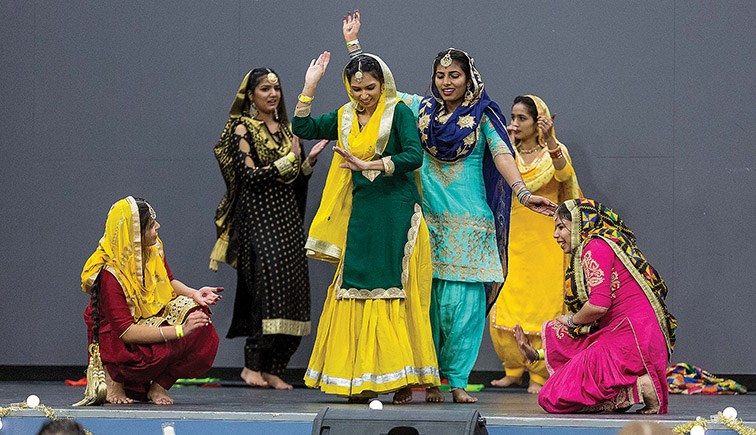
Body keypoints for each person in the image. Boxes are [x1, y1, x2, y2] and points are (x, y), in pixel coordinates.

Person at [341, 11, 556, 403]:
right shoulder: (419, 111)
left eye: (454, 75)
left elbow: (503, 156)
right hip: (426, 223)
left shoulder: (483, 114)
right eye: (441, 76)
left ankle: (456, 382)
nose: (446, 82)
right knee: (424, 305)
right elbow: (376, 89)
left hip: (470, 226)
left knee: (465, 312)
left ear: (468, 77)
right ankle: (424, 378)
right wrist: (355, 46)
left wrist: (522, 192)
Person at [292, 51, 440, 404]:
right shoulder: (344, 116)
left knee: (393, 288)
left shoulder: (398, 112)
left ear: (383, 83)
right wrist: (309, 87)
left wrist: (372, 164)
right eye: (356, 89)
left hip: (396, 212)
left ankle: (403, 376)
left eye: (370, 87)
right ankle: (359, 379)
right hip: (362, 214)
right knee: (355, 284)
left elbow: (413, 156)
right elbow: (304, 128)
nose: (363, 95)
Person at [209, 68, 328, 389]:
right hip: (258, 222)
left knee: (295, 294)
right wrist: (288, 161)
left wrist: (308, 162)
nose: (273, 94)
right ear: (250, 96)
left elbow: (293, 180)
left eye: (276, 88)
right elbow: (249, 177)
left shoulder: (288, 130)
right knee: (268, 292)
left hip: (287, 222)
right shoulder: (241, 129)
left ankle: (275, 367)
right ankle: (252, 366)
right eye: (265, 89)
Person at [514, 198, 677, 414]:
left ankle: (641, 388)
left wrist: (571, 320)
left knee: (552, 397)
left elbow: (598, 306)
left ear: (580, 224)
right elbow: (588, 334)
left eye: (561, 227)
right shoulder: (601, 244)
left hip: (632, 339)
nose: (555, 235)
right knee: (558, 328)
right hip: (636, 338)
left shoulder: (594, 246)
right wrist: (537, 355)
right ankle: (635, 389)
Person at [79, 197, 221, 405]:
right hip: (120, 335)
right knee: (161, 348)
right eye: (152, 225)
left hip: (149, 316)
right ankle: (113, 377)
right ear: (135, 235)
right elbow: (126, 332)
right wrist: (180, 330)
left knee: (202, 323)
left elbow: (167, 281)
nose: (158, 227)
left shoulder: (153, 248)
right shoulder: (110, 275)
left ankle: (159, 386)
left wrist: (194, 294)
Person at [489, 95, 581, 394]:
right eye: (512, 118)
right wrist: (502, 139)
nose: (514, 124)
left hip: (546, 241)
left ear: (537, 122)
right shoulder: (506, 155)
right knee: (508, 300)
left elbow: (565, 175)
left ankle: (540, 372)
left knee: (543, 303)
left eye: (521, 119)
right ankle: (513, 369)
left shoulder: (552, 153)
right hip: (513, 237)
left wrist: (552, 141)